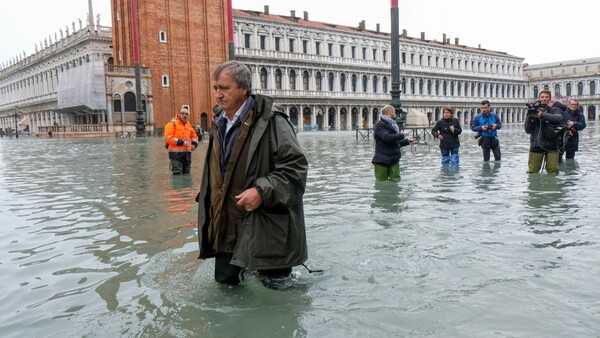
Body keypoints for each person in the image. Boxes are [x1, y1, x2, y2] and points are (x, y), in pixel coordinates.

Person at [196, 60, 309, 288]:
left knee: (276, 296)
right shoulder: (218, 123)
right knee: (226, 289)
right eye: (215, 88)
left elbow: (295, 168)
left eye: (224, 88)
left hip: (266, 226)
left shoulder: (274, 122)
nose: (218, 95)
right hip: (225, 224)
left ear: (244, 88)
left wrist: (261, 191)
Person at [524, 90, 565, 174]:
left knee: (553, 171)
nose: (544, 99)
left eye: (546, 97)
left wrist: (542, 115)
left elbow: (558, 118)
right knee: (532, 171)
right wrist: (529, 116)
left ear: (550, 99)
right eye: (542, 97)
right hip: (536, 144)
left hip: (552, 145)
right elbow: (528, 130)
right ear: (539, 98)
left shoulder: (555, 110)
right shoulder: (533, 111)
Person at [372, 105, 414, 181]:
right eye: (394, 112)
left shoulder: (393, 125)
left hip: (394, 159)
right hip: (382, 160)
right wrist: (401, 135)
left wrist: (407, 141)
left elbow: (396, 143)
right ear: (390, 112)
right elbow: (386, 137)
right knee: (381, 183)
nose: (395, 114)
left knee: (396, 181)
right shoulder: (379, 125)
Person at [164, 107, 198, 174]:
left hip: (187, 154)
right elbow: (168, 138)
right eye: (182, 113)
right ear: (178, 114)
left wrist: (194, 144)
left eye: (186, 114)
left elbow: (194, 136)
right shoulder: (172, 124)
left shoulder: (188, 125)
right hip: (176, 155)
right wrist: (182, 142)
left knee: (187, 172)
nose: (185, 115)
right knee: (177, 173)